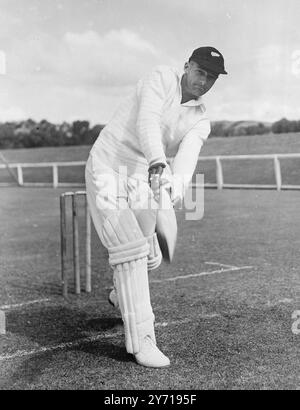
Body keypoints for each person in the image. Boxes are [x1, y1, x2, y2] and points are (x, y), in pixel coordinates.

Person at [85, 46, 227, 368]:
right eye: (200, 71)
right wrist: (159, 163)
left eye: (212, 77)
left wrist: (172, 190)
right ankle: (142, 341)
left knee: (151, 255)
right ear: (187, 66)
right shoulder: (161, 78)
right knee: (131, 249)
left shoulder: (200, 120)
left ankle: (121, 295)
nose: (204, 81)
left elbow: (187, 162)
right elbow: (146, 122)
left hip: (142, 174)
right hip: (108, 165)